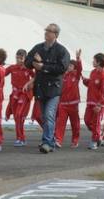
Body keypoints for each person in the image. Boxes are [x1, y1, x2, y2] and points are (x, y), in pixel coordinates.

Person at [25, 23, 71, 154]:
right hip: (40, 87)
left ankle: (46, 141)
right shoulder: (38, 47)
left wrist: (43, 66)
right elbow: (27, 62)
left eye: (49, 31)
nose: (46, 33)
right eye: (46, 31)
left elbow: (62, 68)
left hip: (54, 89)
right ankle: (50, 142)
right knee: (44, 116)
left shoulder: (62, 51)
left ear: (55, 34)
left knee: (49, 115)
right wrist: (34, 62)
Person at [4, 49, 33, 147]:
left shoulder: (28, 69)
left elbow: (37, 76)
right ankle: (19, 138)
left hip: (24, 94)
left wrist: (29, 84)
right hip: (15, 94)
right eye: (17, 58)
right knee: (17, 117)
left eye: (21, 58)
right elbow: (1, 73)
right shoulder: (12, 67)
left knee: (19, 115)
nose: (19, 60)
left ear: (25, 58)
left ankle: (22, 138)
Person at [54, 52, 82, 149]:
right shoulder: (63, 76)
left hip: (73, 104)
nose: (69, 67)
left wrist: (78, 59)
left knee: (75, 124)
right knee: (60, 123)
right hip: (63, 104)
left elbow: (79, 69)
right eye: (68, 65)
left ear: (74, 67)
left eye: (71, 66)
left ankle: (75, 140)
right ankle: (58, 140)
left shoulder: (76, 76)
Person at [83, 53, 104, 150]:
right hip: (90, 102)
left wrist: (100, 104)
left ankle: (94, 141)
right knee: (87, 121)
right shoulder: (93, 72)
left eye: (94, 60)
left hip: (98, 105)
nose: (93, 61)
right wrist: (86, 81)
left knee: (96, 123)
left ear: (99, 62)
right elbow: (92, 84)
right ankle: (99, 133)